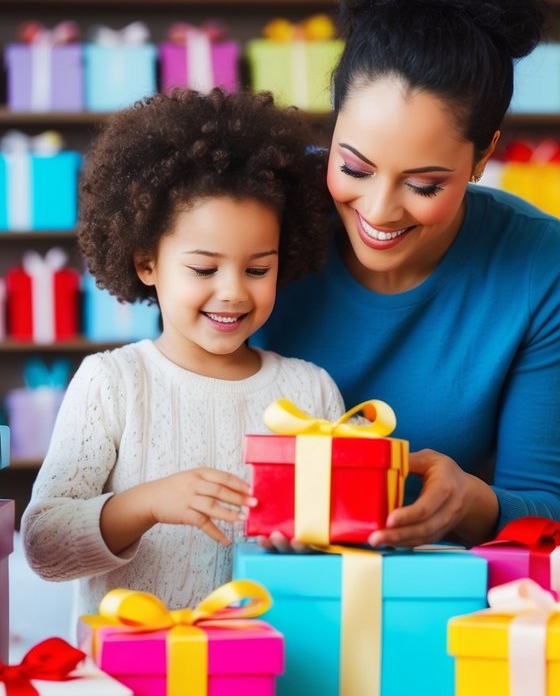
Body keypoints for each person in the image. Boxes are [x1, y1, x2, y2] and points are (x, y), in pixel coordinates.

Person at [256, 0, 560, 549]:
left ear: (483, 154)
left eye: (424, 183)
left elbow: (546, 509)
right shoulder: (257, 207)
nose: (378, 210)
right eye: (353, 168)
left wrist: (472, 503)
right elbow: (169, 393)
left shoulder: (539, 265)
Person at [22, 89, 345, 616]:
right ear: (147, 262)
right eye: (204, 269)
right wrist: (145, 504)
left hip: (272, 677)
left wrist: (316, 544)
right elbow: (43, 546)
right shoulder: (113, 383)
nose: (234, 292)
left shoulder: (309, 392)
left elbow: (341, 547)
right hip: (136, 679)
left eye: (258, 269)